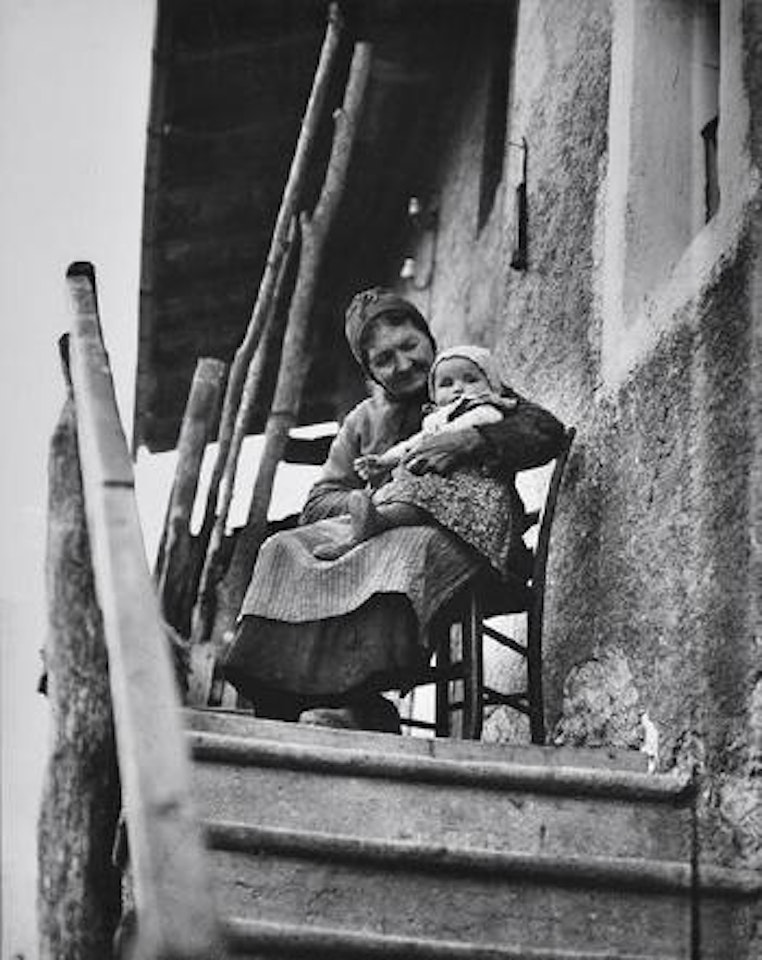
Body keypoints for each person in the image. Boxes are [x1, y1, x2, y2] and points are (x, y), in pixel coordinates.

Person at [221, 287, 564, 732]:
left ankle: (360, 700)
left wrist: (471, 440)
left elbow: (545, 430)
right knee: (280, 549)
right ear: (369, 369)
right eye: (384, 359)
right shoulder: (362, 421)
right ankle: (282, 705)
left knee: (400, 550)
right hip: (378, 521)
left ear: (428, 338)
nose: (402, 364)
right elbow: (318, 502)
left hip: (470, 538)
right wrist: (376, 498)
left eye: (410, 346)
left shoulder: (466, 387)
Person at [312, 344, 521, 566]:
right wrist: (385, 460)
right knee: (404, 492)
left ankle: (378, 521)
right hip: (443, 484)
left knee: (421, 496)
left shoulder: (486, 410)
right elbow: (412, 443)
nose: (459, 389)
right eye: (447, 384)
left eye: (470, 380)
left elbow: (462, 430)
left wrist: (438, 438)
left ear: (492, 384)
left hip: (474, 491)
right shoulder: (437, 418)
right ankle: (365, 529)